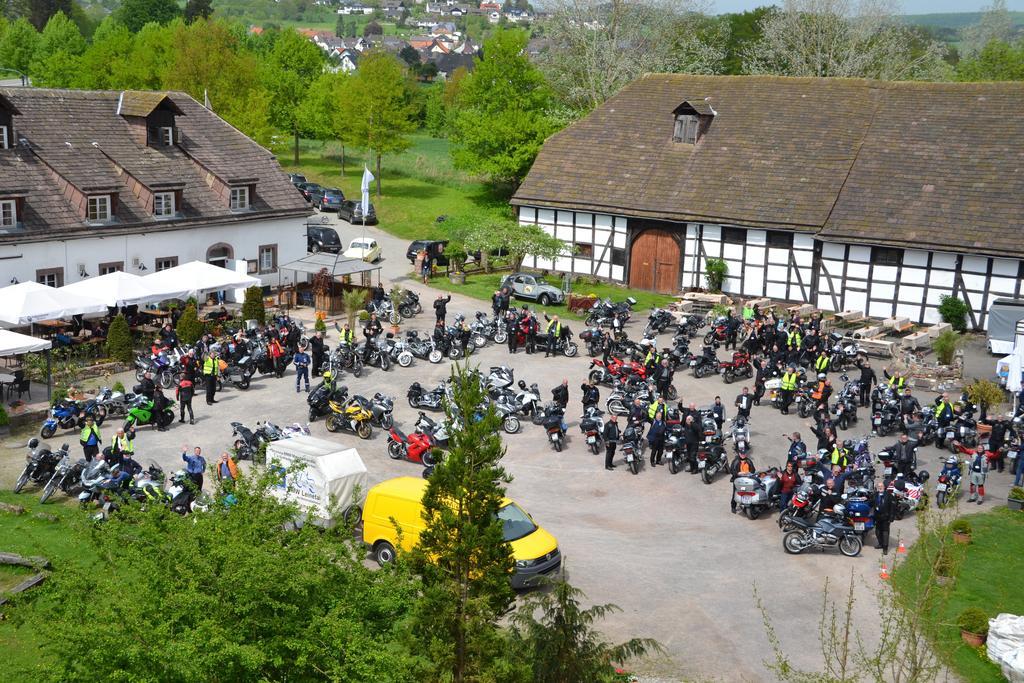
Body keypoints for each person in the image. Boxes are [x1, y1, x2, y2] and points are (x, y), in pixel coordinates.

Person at [872, 481, 895, 554]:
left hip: (886, 517)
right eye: (878, 487)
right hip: (877, 517)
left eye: (881, 486)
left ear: (884, 487)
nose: (880, 488)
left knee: (885, 532)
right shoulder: (875, 495)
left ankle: (885, 548)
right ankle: (880, 544)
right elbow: (871, 502)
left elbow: (892, 507)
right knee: (877, 532)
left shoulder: (889, 495)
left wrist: (891, 517)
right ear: (877, 488)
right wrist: (864, 498)